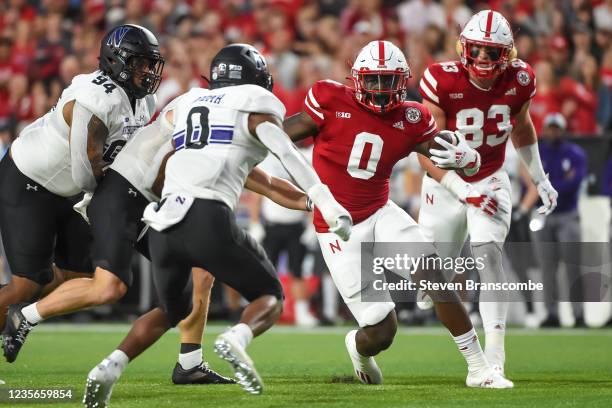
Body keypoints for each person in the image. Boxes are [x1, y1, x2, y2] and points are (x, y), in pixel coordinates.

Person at [82, 43, 352, 407]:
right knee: (269, 294)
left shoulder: (189, 104)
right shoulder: (255, 105)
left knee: (171, 309)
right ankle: (236, 339)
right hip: (206, 214)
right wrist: (325, 200)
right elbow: (287, 153)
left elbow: (256, 179)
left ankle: (109, 367)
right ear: (256, 80)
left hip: (162, 220)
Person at [282, 39, 512, 388]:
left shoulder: (412, 116)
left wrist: (470, 158)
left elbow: (443, 153)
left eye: (388, 80)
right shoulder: (329, 98)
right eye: (373, 79)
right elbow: (280, 136)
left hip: (380, 211)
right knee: (381, 331)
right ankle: (358, 350)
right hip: (337, 229)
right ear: (357, 78)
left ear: (401, 81)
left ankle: (480, 369)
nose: (379, 88)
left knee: (433, 274)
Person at [0, 24, 163, 355]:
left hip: (71, 190)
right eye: (140, 63)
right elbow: (85, 169)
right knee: (28, 282)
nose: (147, 71)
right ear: (116, 61)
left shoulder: (142, 100)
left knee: (78, 276)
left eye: (150, 63)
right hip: (31, 180)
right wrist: (111, 207)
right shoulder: (93, 97)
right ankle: (19, 309)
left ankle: (24, 316)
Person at [417, 10, 559, 381]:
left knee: (488, 259)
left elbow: (523, 127)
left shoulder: (521, 79)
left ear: (507, 55)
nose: (482, 58)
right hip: (445, 184)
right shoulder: (440, 80)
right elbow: (424, 151)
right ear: (464, 47)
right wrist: (462, 190)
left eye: (492, 52)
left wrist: (539, 178)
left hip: (491, 178)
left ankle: (494, 361)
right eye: (477, 50)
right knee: (431, 278)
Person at [531, 112, 587, 328]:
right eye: (550, 128)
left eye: (557, 128)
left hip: (567, 215)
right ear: (544, 129)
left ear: (563, 130)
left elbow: (576, 181)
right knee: (547, 267)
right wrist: (552, 187)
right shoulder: (537, 152)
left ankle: (578, 314)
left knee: (573, 266)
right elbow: (531, 181)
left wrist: (548, 189)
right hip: (543, 215)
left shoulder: (575, 153)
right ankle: (551, 313)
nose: (553, 132)